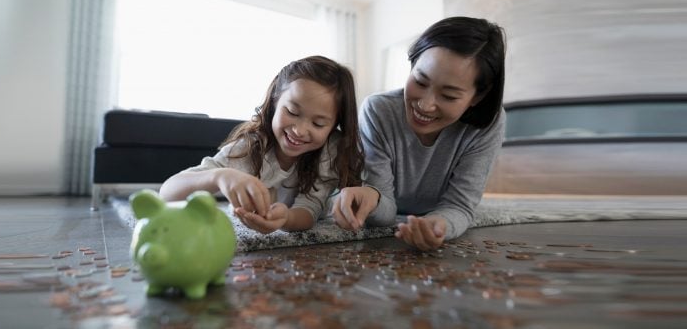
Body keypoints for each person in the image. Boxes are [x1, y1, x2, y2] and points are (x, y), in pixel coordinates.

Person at [332, 16, 506, 251]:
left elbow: (460, 206)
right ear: (412, 65)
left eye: (449, 96)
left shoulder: (488, 124)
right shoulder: (378, 110)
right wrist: (370, 199)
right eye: (420, 82)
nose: (425, 105)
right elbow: (384, 207)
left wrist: (439, 225)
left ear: (478, 97)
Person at [160, 55, 364, 234]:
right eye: (292, 112)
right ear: (275, 101)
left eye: (318, 124)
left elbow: (310, 209)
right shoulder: (251, 148)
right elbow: (168, 193)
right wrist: (219, 176)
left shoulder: (330, 152)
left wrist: (286, 218)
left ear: (334, 126)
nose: (299, 130)